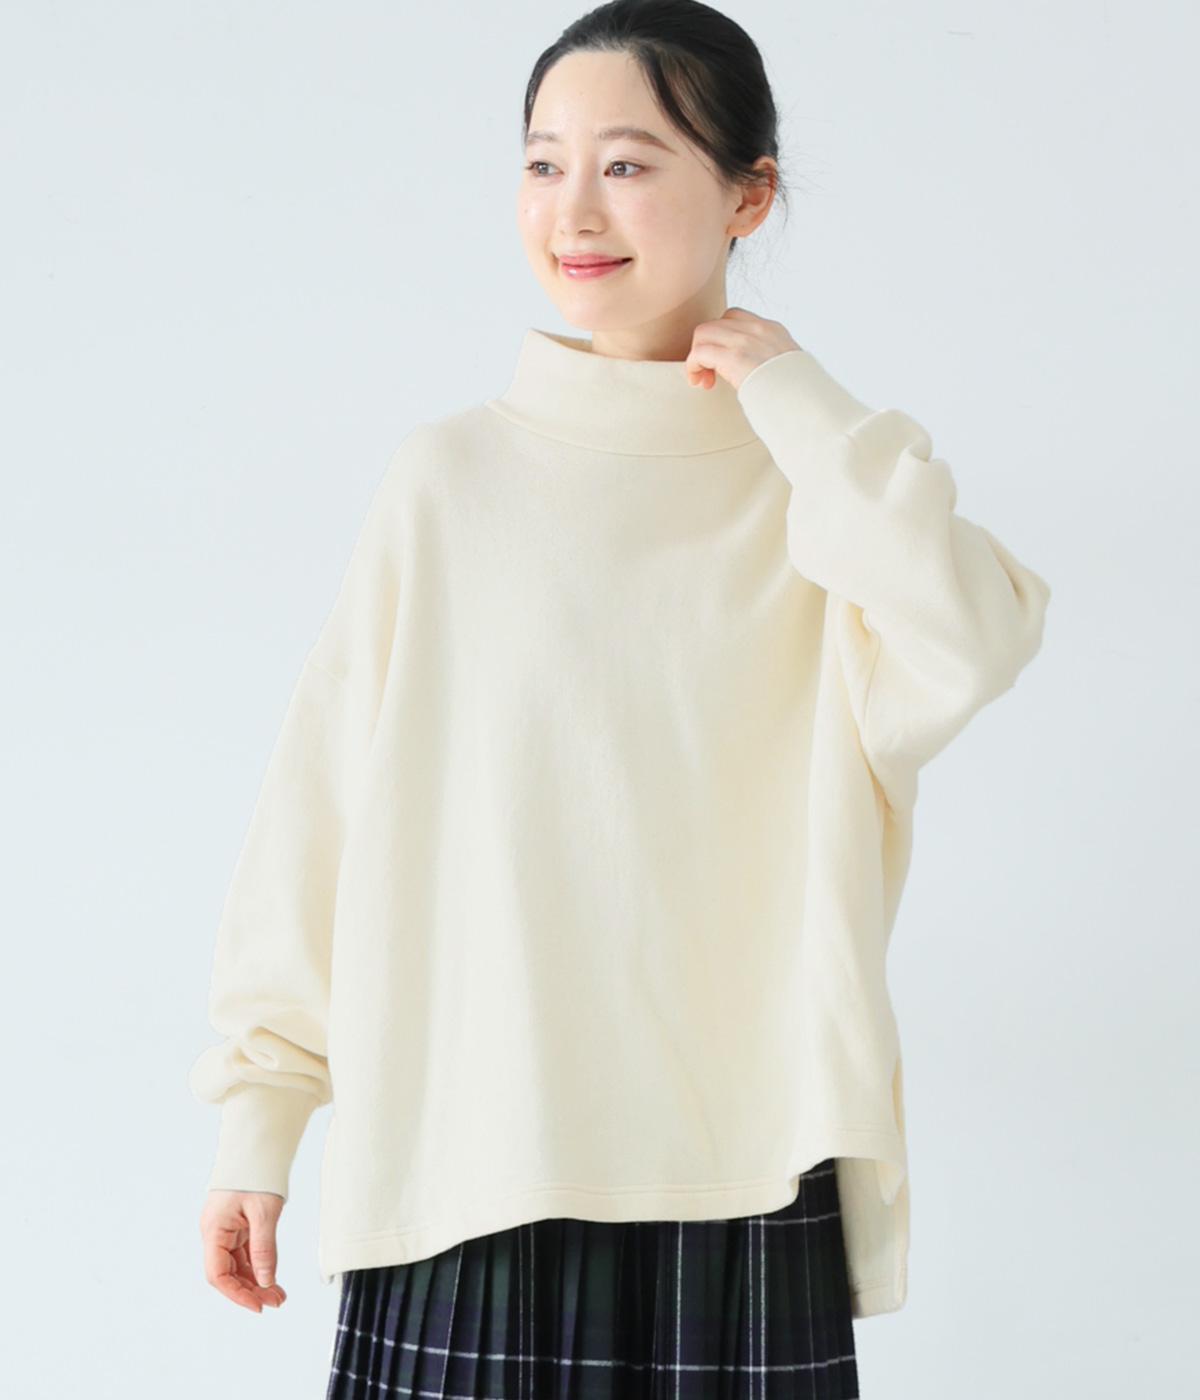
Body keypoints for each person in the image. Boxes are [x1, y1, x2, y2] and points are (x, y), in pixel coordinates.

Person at [188, 3, 1052, 1397]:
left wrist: (800, 402)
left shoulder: (821, 489)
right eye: (543, 163)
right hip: (474, 1163)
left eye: (629, 164)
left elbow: (975, 636)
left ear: (749, 194)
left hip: (745, 1173)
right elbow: (319, 817)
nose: (574, 210)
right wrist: (260, 1117)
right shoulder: (451, 480)